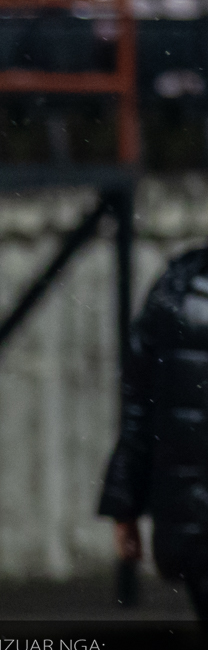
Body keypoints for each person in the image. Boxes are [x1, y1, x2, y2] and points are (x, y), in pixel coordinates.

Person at [100, 244, 208, 620]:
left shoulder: (179, 287)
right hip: (196, 526)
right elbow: (140, 406)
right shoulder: (178, 287)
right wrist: (124, 505)